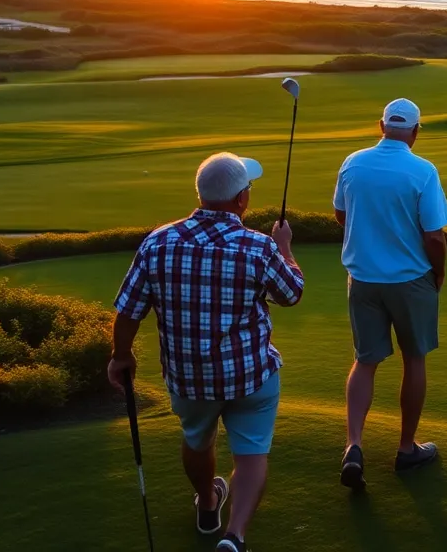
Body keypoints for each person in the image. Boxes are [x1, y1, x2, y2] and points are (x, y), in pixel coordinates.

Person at [108, 152, 305, 552]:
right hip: (252, 375)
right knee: (251, 454)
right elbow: (291, 293)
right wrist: (285, 247)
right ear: (240, 200)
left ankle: (208, 504)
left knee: (197, 440)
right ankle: (235, 536)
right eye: (247, 188)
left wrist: (121, 354)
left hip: (189, 378)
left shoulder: (158, 242)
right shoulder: (259, 246)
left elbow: (128, 309)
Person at [333, 98, 447, 489]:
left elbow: (341, 214)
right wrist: (439, 273)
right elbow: (434, 235)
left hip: (363, 279)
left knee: (365, 361)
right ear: (416, 131)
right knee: (414, 359)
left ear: (380, 125)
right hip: (409, 280)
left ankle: (353, 445)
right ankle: (406, 449)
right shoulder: (423, 170)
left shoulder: (353, 162)